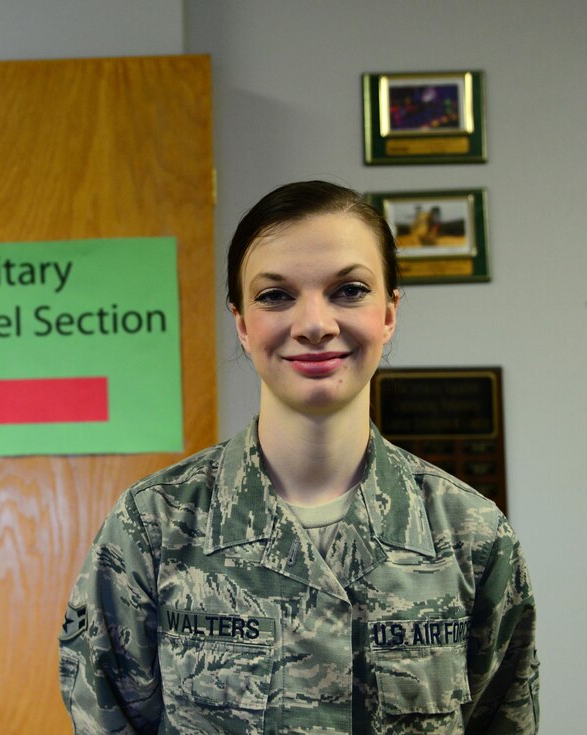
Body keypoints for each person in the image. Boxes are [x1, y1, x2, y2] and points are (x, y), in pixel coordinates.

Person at [58, 181, 539, 733]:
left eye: (350, 290)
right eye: (275, 295)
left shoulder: (471, 536)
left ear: (389, 312)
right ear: (241, 323)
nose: (314, 324)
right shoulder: (153, 528)